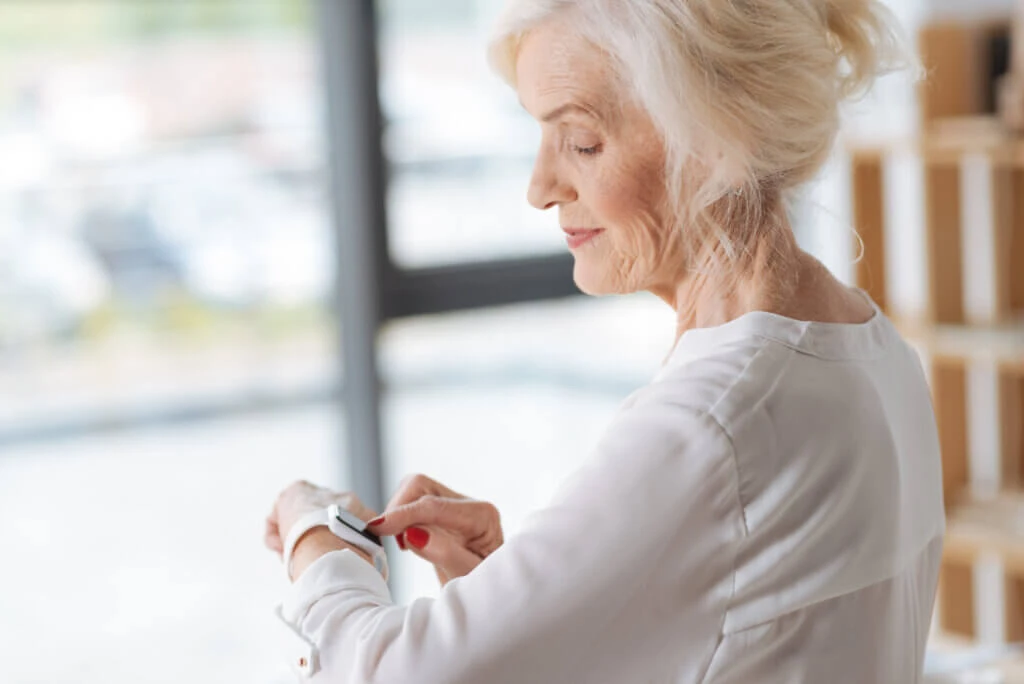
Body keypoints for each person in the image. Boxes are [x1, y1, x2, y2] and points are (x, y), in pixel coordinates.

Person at [264, 0, 945, 681]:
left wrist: (318, 535)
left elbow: (389, 674)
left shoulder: (711, 428)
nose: (540, 188)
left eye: (582, 142)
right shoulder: (878, 354)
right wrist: (534, 607)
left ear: (719, 136)